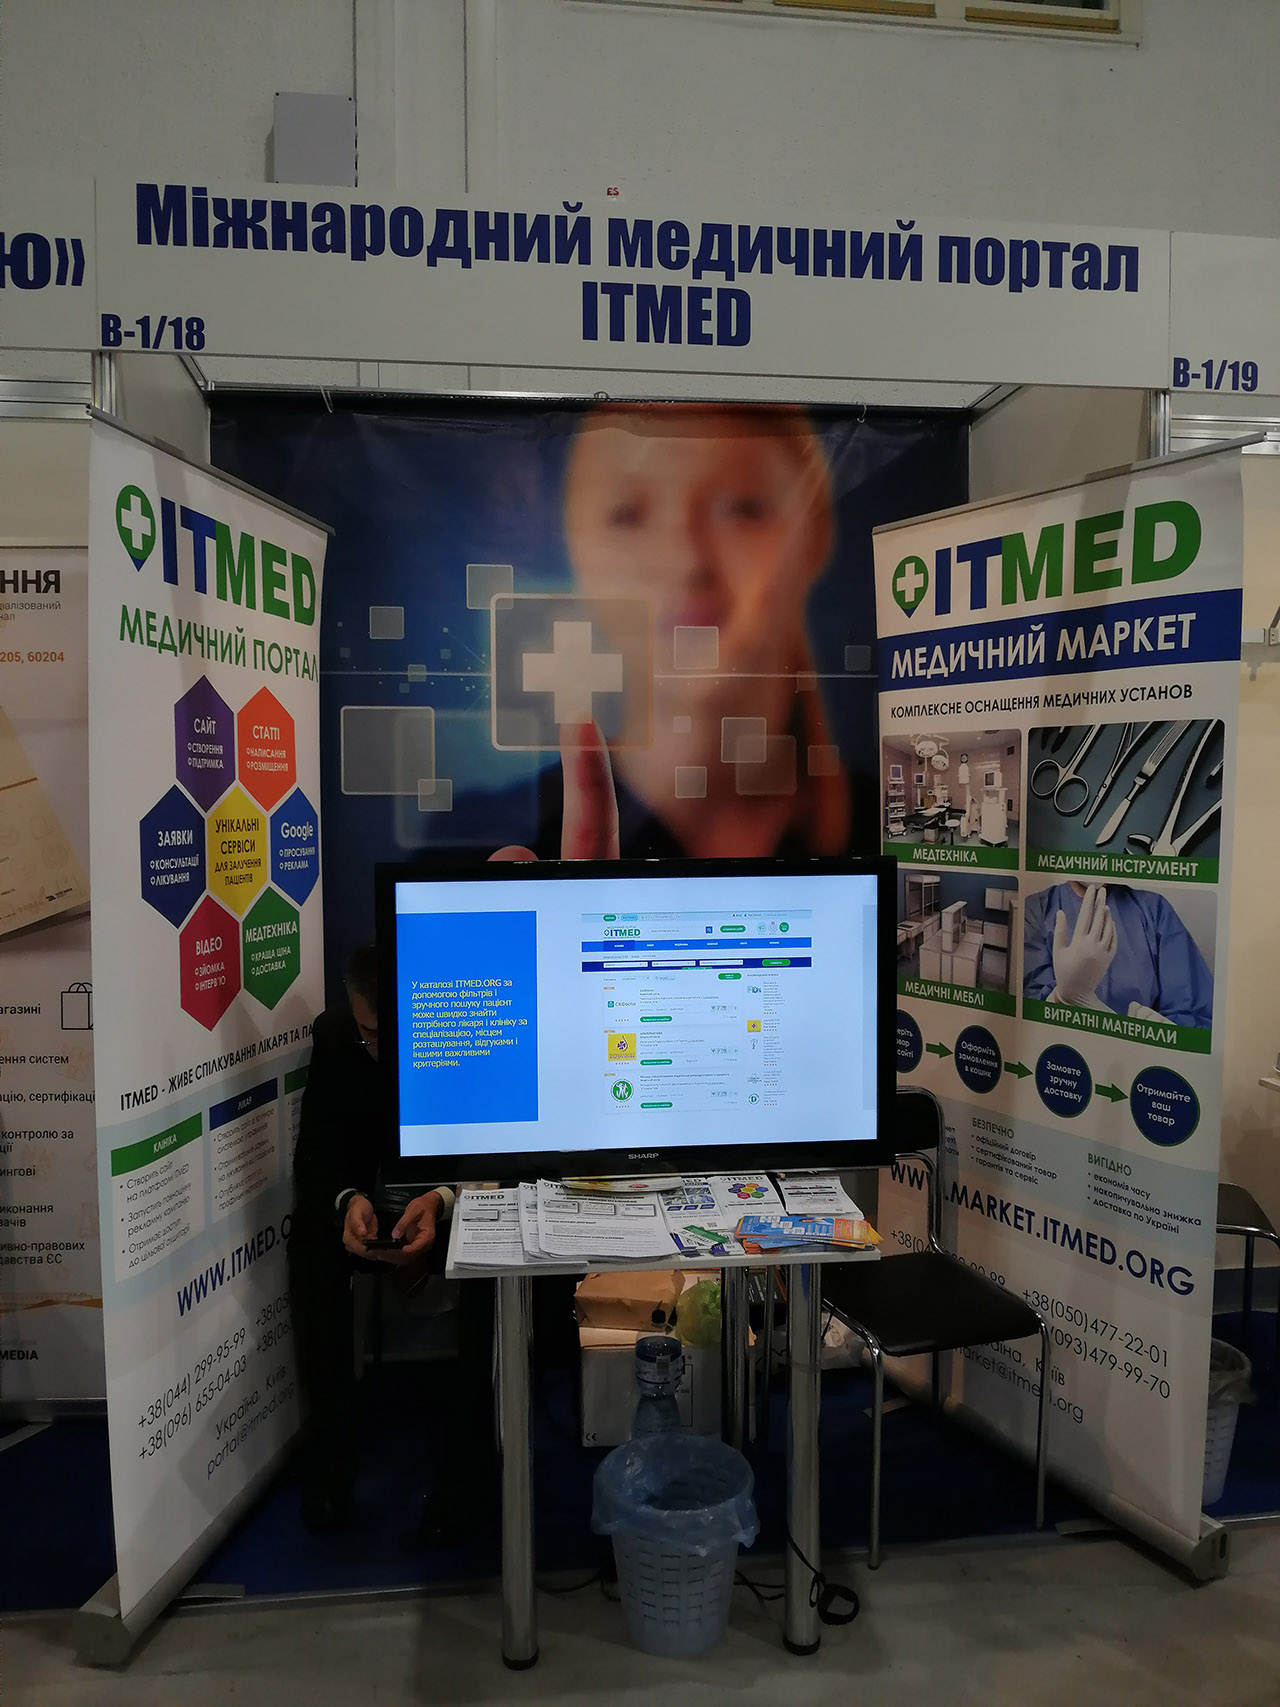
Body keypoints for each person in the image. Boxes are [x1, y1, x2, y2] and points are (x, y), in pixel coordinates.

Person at [495, 403, 864, 862]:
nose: (685, 560)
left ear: (814, 534)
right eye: (627, 514)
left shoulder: (899, 831)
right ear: (574, 546)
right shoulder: (489, 851)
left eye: (740, 508)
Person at [287, 942, 493, 1538]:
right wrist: (346, 1201)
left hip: (453, 1200)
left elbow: (499, 1159)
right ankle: (329, 1457)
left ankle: (469, 1469)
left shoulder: (468, 1028)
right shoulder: (336, 1038)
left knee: (495, 1264)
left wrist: (443, 1200)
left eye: (391, 1035)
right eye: (368, 1033)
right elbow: (316, 1157)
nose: (378, 1048)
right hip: (371, 1202)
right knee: (310, 1248)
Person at [1022, 880, 1213, 1029]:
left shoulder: (1154, 910)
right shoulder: (1036, 909)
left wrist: (1159, 1035)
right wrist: (1061, 998)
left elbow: (1195, 1012)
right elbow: (1026, 1019)